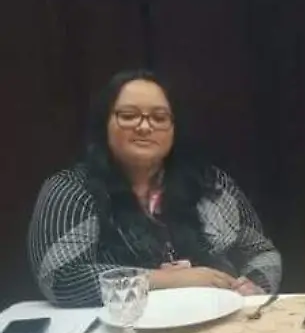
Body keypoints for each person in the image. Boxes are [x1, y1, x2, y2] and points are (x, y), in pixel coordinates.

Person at [28, 70, 281, 307]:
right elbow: (60, 279)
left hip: (216, 320)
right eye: (129, 116)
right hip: (124, 330)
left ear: (174, 128)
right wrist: (165, 280)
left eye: (159, 118)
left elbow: (262, 253)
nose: (144, 127)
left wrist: (254, 286)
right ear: (104, 124)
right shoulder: (71, 189)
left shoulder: (210, 184)